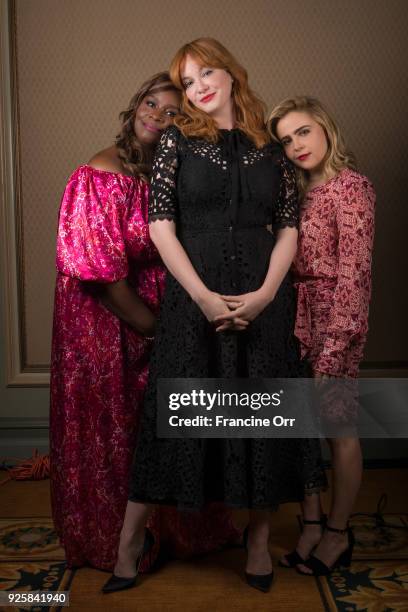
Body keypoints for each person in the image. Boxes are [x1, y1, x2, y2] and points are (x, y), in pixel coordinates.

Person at [103, 39, 326, 595]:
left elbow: (287, 229)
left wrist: (266, 295)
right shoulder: (175, 143)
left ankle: (256, 543)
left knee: (263, 423)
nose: (198, 86)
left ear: (231, 74)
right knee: (173, 420)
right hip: (191, 303)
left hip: (264, 304)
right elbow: (161, 227)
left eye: (206, 72)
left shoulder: (271, 150)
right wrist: (202, 297)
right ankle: (128, 544)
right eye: (188, 80)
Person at [50, 71, 240, 573]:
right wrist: (157, 329)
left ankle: (179, 531)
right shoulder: (99, 173)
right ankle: (118, 542)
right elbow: (100, 277)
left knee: (172, 424)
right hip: (110, 325)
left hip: (165, 317)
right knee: (121, 432)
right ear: (135, 106)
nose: (157, 116)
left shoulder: (174, 170)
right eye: (151, 104)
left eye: (173, 111)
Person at [268, 96, 375, 575]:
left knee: (337, 427)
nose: (296, 146)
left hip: (336, 313)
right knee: (300, 427)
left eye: (303, 132)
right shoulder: (295, 191)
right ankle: (310, 524)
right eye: (287, 140)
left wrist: (335, 345)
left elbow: (355, 273)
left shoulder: (351, 187)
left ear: (325, 128)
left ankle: (337, 532)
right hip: (295, 312)